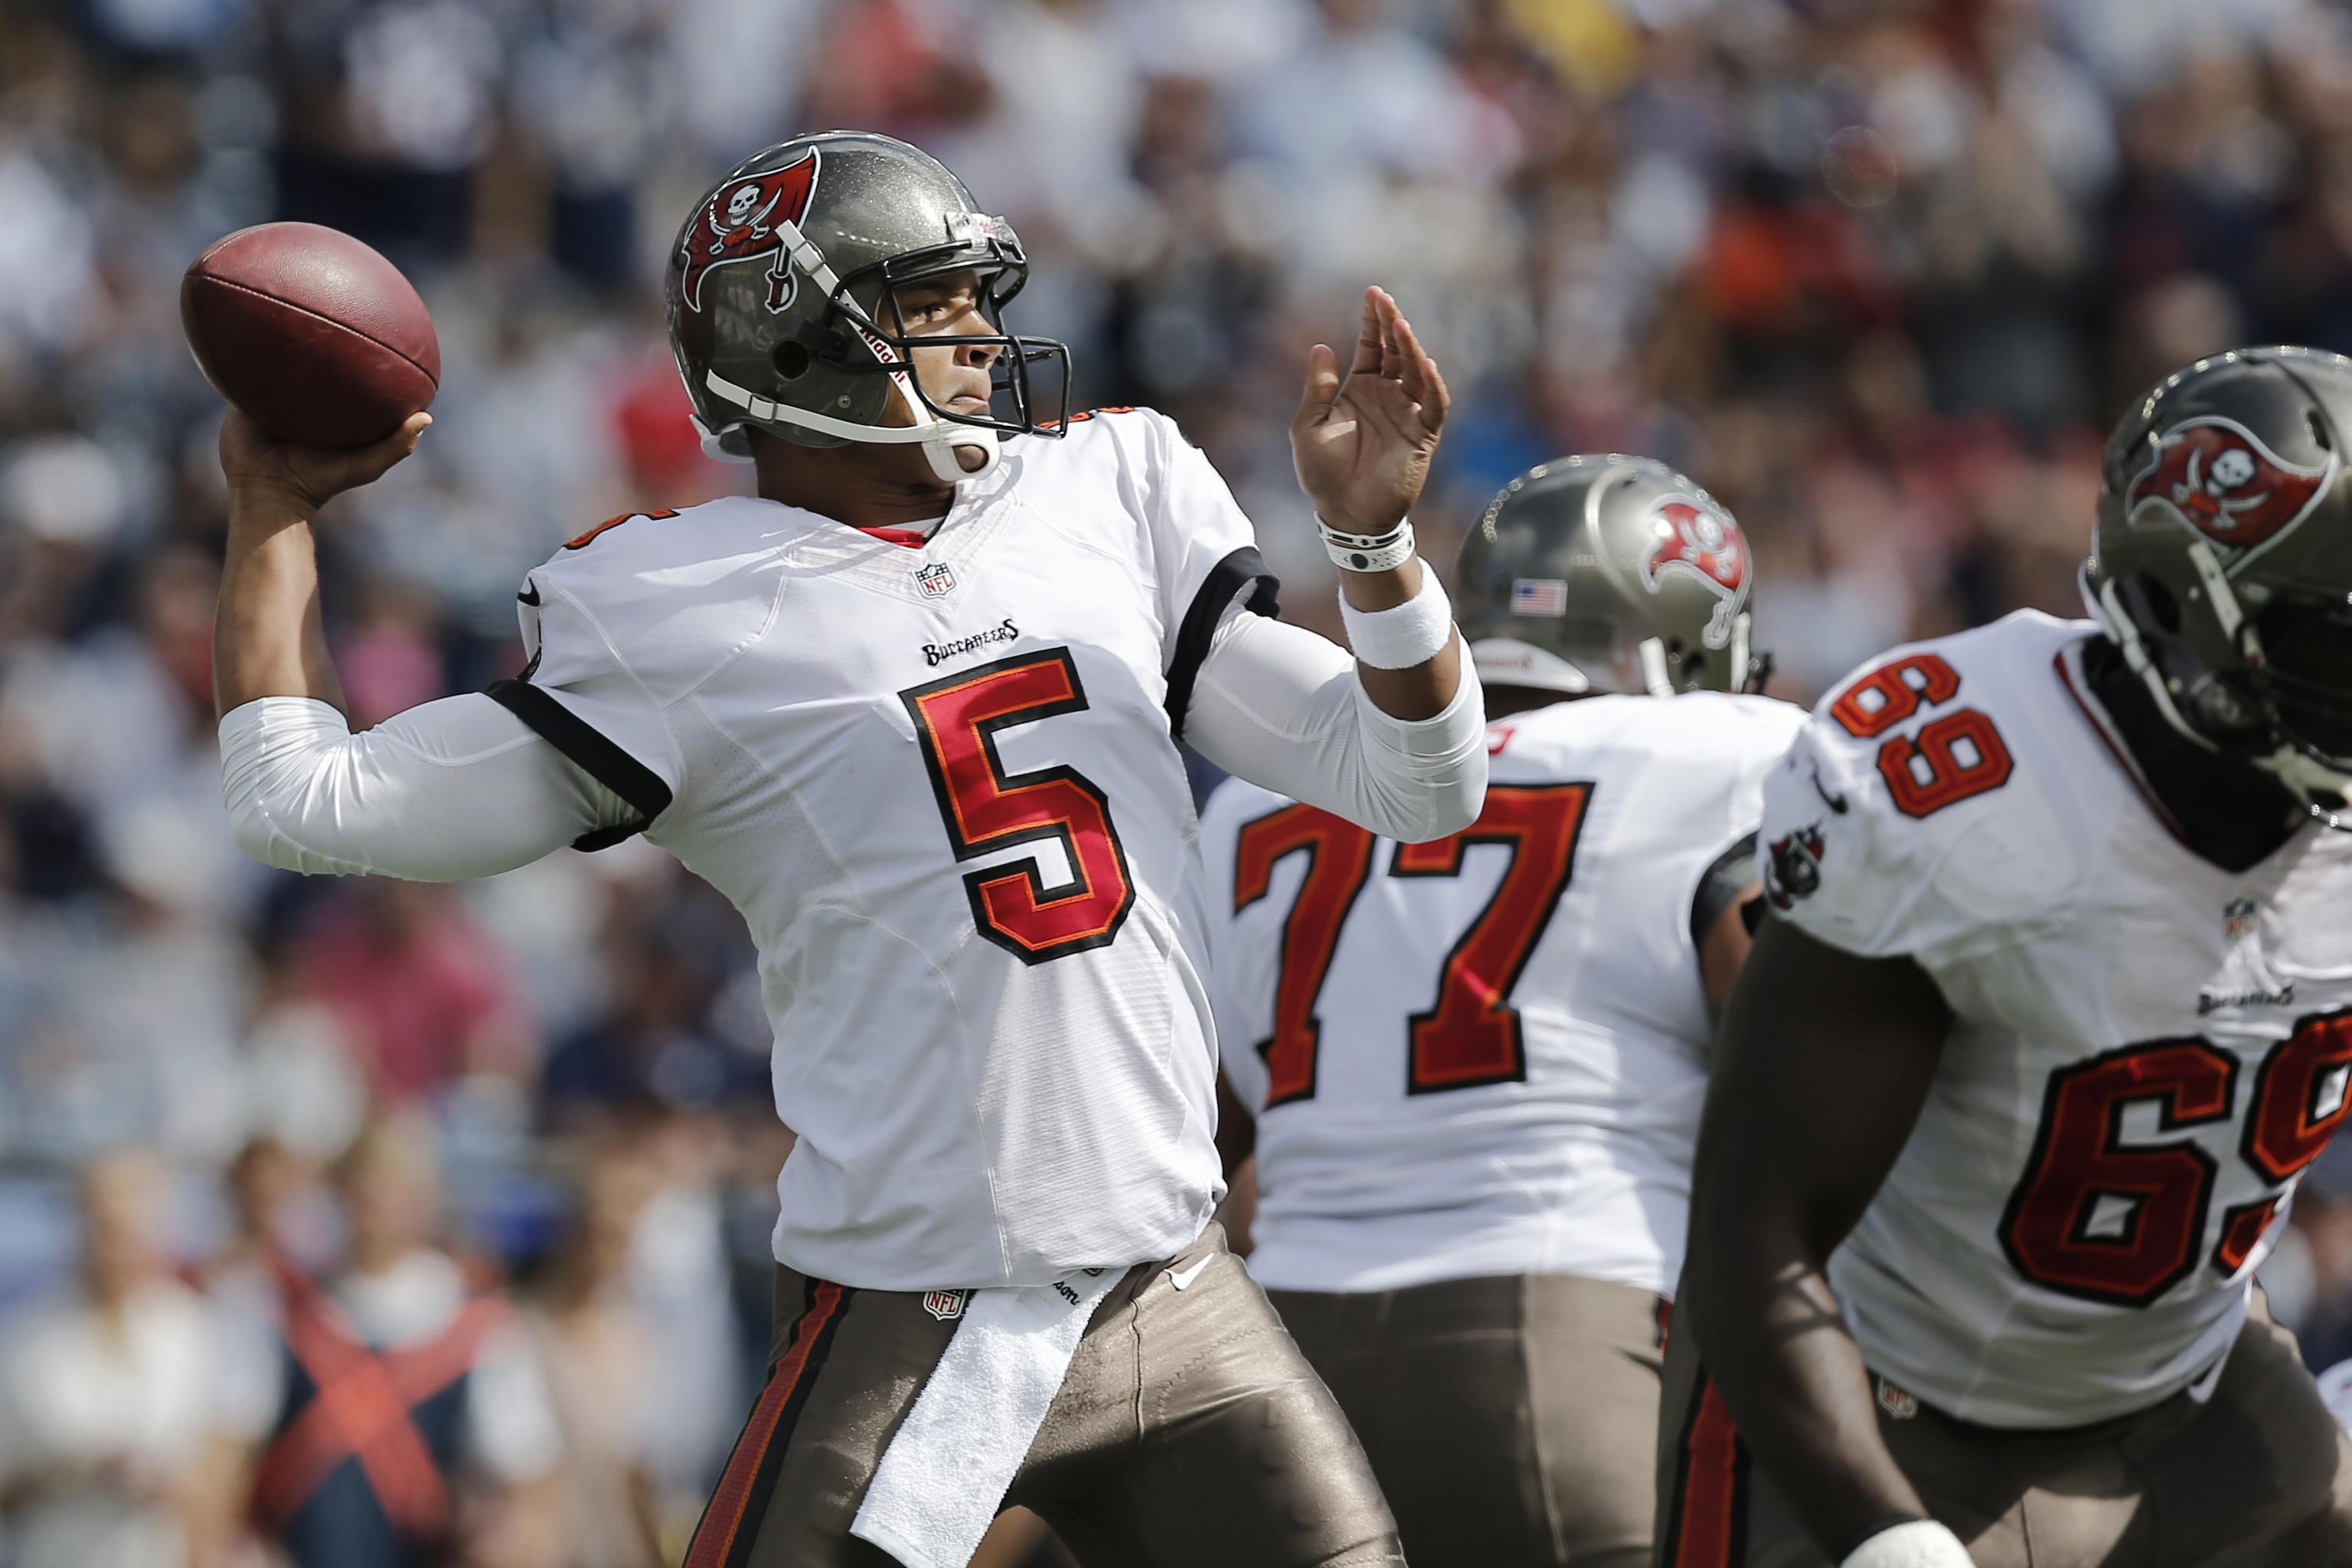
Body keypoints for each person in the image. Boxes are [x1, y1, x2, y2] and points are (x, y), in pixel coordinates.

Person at [210, 129, 1487, 1566]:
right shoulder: (682, 610)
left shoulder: (1103, 492)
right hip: (913, 1324)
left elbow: (1418, 783)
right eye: (928, 305)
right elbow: (300, 800)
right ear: (794, 346)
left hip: (1183, 1294)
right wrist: (273, 512)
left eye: (974, 297)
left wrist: (1377, 555)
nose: (979, 337)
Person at [1663, 346, 2352, 1568]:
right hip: (1891, 1402)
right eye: (2336, 645)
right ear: (2184, 611)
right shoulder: (1965, 789)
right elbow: (1752, 1235)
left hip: (2192, 1391)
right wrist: (1883, 1538)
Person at [1199, 454, 1798, 1568]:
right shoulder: (1728, 757)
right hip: (1569, 1336)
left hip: (1277, 1368)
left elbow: (1204, 1141)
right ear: (1682, 642)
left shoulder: (1259, 806)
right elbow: (1805, 1089)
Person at [219, 1116, 564, 1568]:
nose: (376, 1198)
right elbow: (223, 1463)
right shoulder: (280, 1310)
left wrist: (498, 1539)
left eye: (393, 1182)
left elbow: (531, 1490)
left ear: (426, 1195)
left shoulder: (480, 1330)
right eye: (364, 1181)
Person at [0, 1150, 230, 1568]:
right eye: (102, 1227)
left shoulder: (191, 1330)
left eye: (127, 1230)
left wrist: (164, 1484)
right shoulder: (25, 1338)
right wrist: (68, 1473)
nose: (113, 1248)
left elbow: (212, 1485)